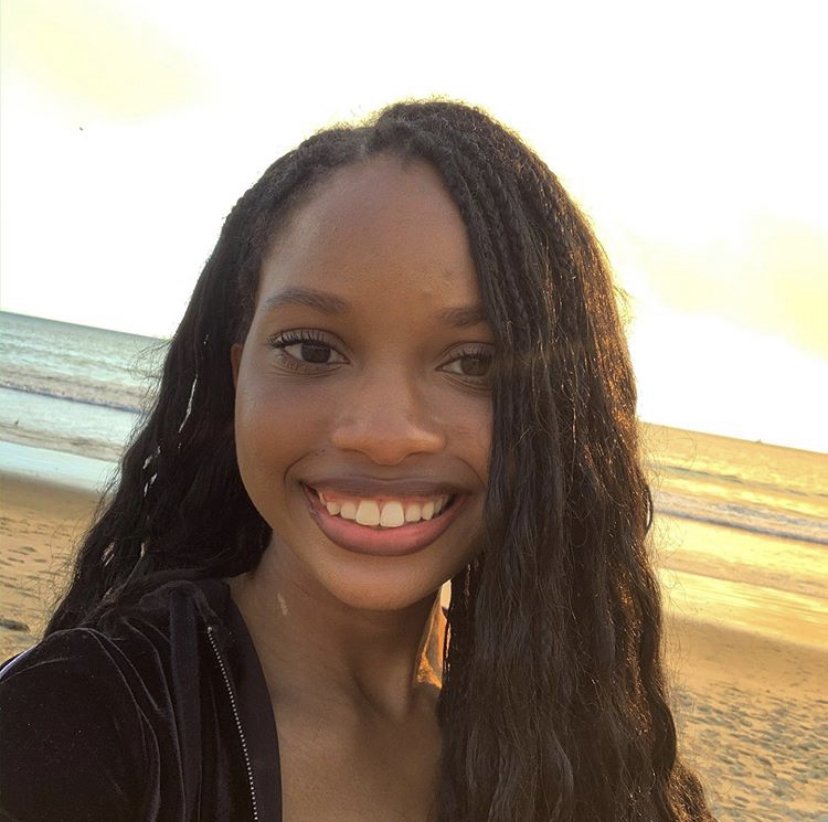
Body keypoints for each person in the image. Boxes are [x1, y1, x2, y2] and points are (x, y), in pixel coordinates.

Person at [0, 100, 715, 821]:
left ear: (561, 411)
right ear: (239, 378)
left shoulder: (578, 745)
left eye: (474, 362)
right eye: (312, 349)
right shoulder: (78, 726)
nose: (384, 434)